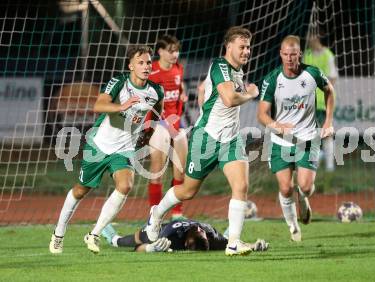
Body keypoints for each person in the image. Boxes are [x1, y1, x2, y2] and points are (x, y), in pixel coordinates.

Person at [145, 26, 260, 256]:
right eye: (242, 47)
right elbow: (228, 99)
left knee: (241, 186)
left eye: (248, 47)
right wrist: (250, 93)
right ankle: (156, 214)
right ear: (229, 47)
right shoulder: (220, 66)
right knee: (187, 190)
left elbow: (201, 88)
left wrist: (203, 98)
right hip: (206, 138)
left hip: (230, 139)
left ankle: (234, 243)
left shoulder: (236, 71)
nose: (246, 51)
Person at [49, 45, 164, 254]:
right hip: (100, 145)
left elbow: (157, 114)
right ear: (130, 66)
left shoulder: (156, 91)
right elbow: (99, 105)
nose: (146, 66)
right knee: (81, 190)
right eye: (141, 62)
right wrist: (121, 106)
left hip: (125, 148)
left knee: (126, 185)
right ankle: (58, 232)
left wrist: (147, 135)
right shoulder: (119, 82)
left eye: (148, 62)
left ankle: (94, 233)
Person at [257, 35, 334, 242]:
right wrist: (277, 126)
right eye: (286, 54)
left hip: (307, 138)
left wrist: (328, 122)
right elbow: (262, 113)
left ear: (300, 54)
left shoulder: (312, 73)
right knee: (284, 187)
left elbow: (329, 91)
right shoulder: (272, 79)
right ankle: (293, 226)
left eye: (293, 54)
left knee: (306, 187)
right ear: (280, 54)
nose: (290, 58)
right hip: (281, 141)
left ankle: (304, 197)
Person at [146, 35, 188, 220]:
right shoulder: (151, 71)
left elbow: (180, 87)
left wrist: (183, 95)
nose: (175, 54)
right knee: (157, 169)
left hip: (176, 124)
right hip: (158, 124)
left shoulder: (179, 69)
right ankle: (154, 214)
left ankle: (176, 212)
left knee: (180, 169)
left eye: (176, 50)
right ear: (160, 51)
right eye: (170, 50)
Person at [101, 219, 268, 253]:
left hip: (186, 225)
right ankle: (114, 239)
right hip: (162, 228)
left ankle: (233, 224)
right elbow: (138, 249)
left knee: (226, 240)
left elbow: (232, 244)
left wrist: (253, 245)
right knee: (145, 238)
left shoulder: (212, 236)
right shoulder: (171, 238)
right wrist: (151, 248)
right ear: (186, 243)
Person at [303, 33, 338, 172]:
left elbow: (333, 78)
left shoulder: (328, 55)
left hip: (324, 101)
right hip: (309, 101)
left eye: (311, 36)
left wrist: (324, 90)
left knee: (326, 133)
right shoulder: (307, 55)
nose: (308, 39)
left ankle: (329, 166)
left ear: (317, 37)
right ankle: (313, 163)